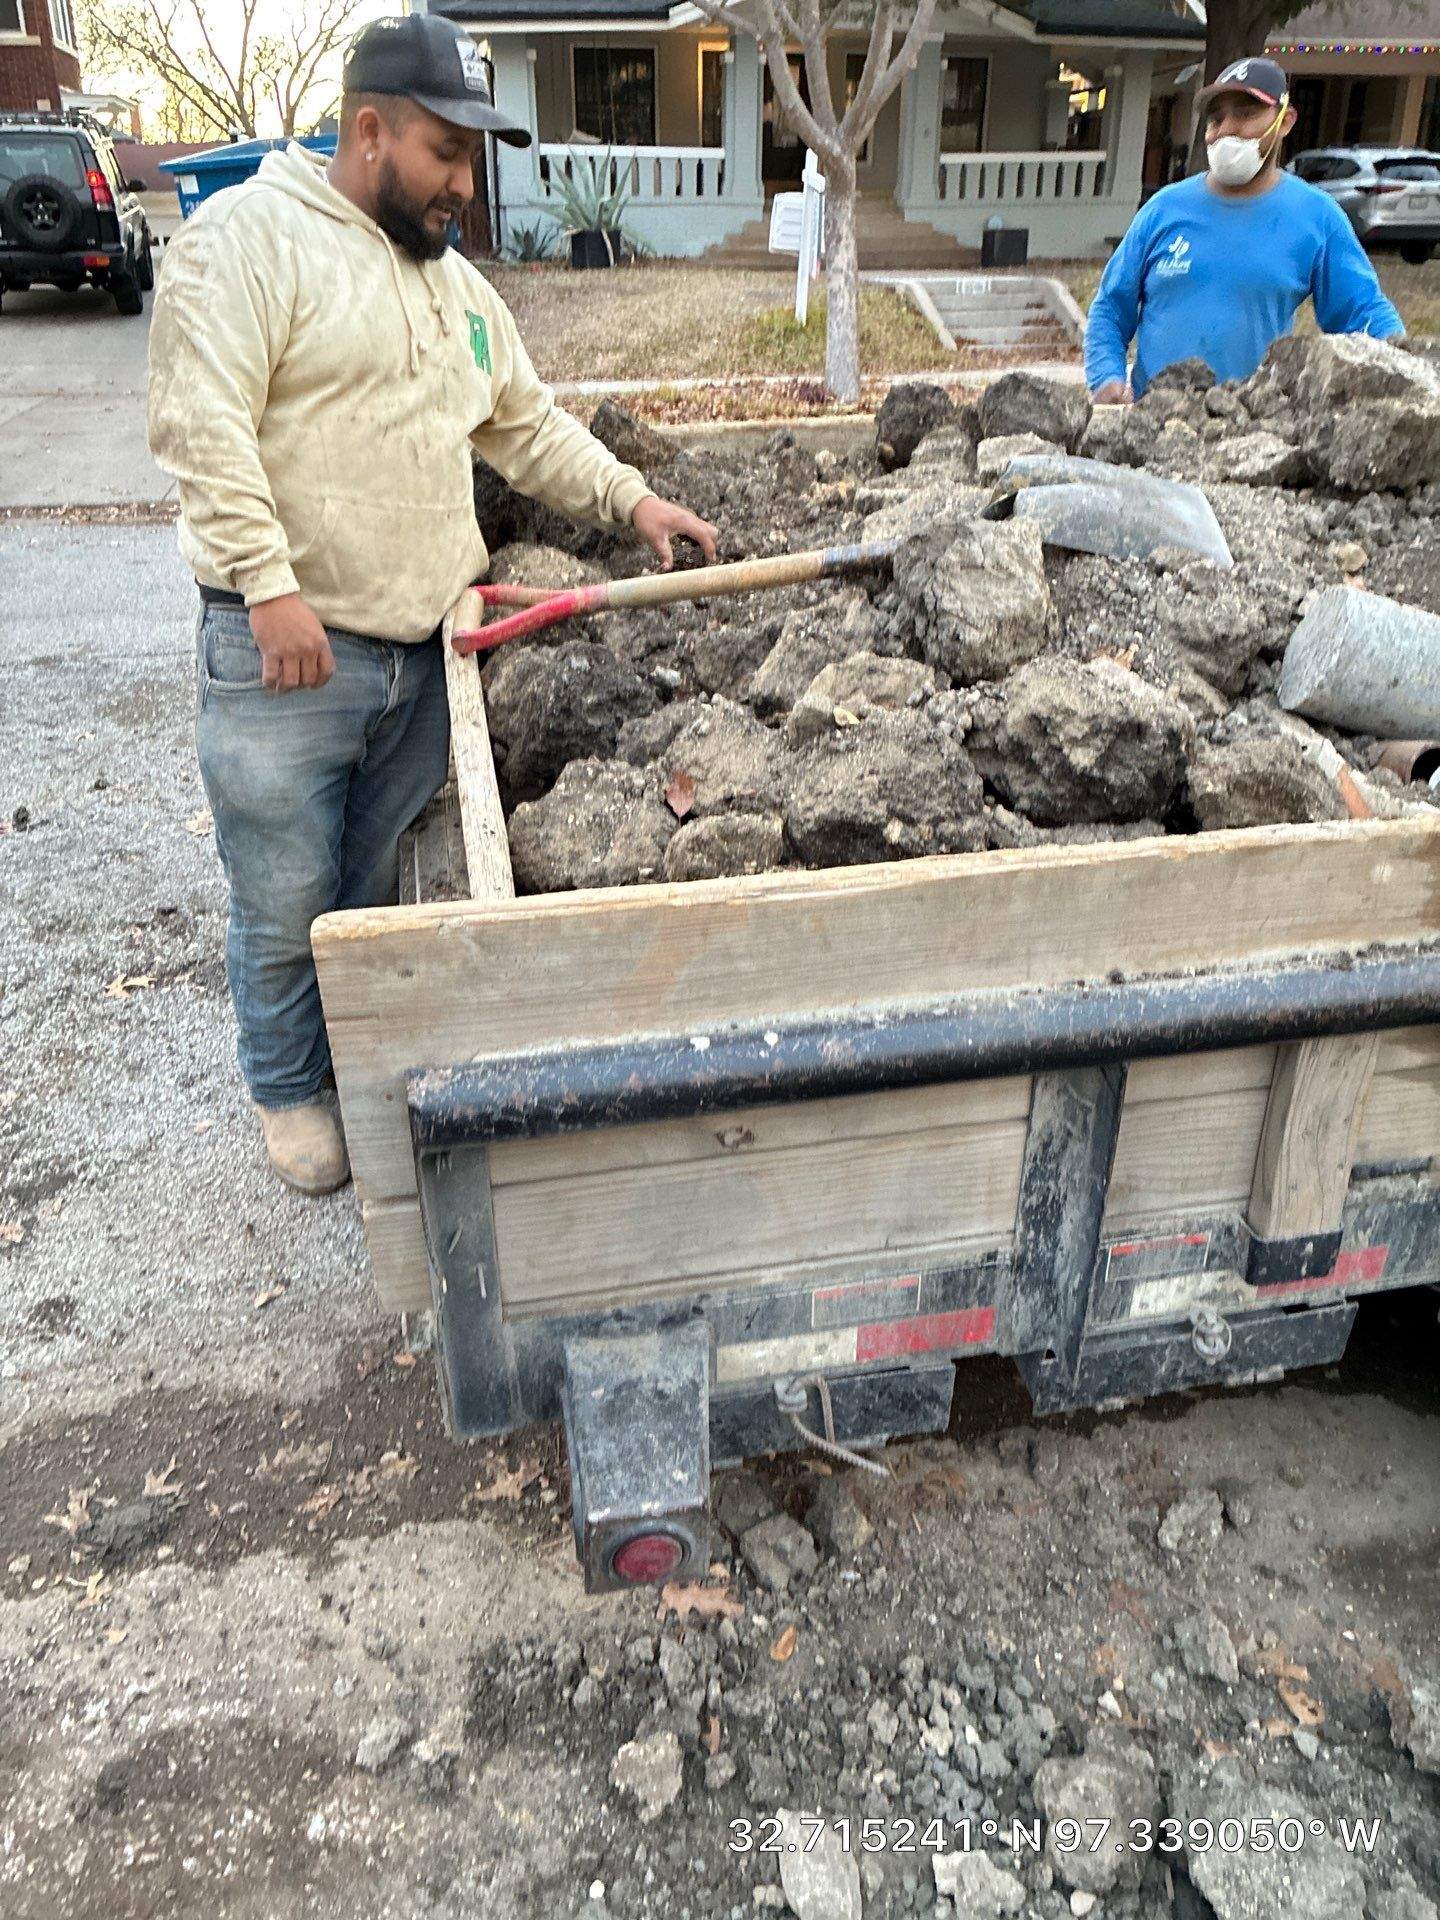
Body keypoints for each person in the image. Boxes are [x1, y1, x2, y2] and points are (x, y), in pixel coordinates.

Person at [148, 13, 718, 1196]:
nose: (467, 181)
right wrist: (268, 588)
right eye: (447, 154)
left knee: (362, 886)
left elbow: (524, 424)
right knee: (282, 889)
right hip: (290, 655)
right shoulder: (246, 243)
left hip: (423, 655)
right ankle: (290, 1089)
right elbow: (202, 430)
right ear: (370, 130)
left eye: (472, 157)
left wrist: (632, 501)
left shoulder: (455, 286)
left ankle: (350, 1067)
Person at [1084, 57, 1404, 402]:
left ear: (1285, 121)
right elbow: (1111, 308)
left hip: (1248, 429)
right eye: (1216, 119)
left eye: (1246, 114)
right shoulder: (1164, 210)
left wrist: (1406, 367)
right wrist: (1106, 378)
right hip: (1155, 425)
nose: (1227, 130)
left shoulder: (1316, 217)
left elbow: (1362, 313)